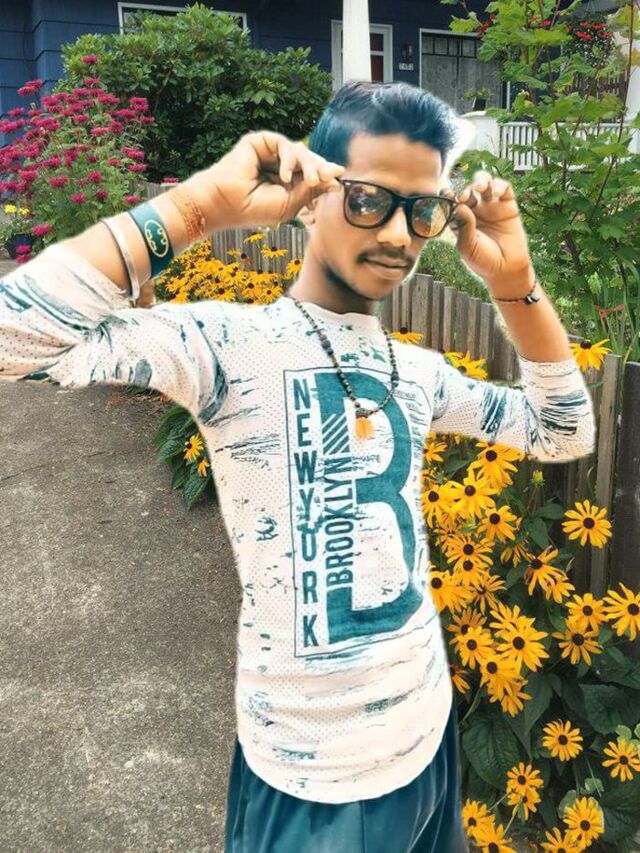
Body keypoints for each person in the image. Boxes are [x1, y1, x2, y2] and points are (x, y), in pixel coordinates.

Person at [0, 80, 595, 852]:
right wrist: (199, 208)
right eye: (369, 200)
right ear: (312, 196)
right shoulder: (224, 346)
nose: (399, 234)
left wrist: (514, 286)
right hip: (313, 781)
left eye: (423, 211)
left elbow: (562, 431)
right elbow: (14, 337)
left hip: (429, 738)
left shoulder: (416, 373)